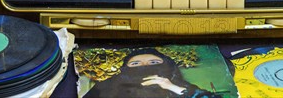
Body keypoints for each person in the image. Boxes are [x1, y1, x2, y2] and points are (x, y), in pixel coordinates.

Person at [83, 48, 222, 98]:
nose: (145, 66)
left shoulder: (179, 86)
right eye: (135, 64)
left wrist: (172, 87)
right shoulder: (107, 87)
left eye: (153, 62)